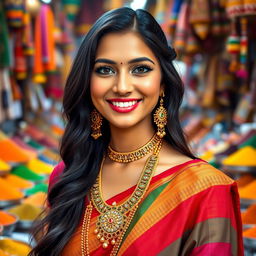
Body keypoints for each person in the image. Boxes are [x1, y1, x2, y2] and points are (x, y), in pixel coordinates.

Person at [29, 7, 244, 256]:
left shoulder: (206, 192)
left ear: (163, 82)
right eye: (105, 70)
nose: (122, 86)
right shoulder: (68, 178)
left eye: (140, 69)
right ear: (88, 82)